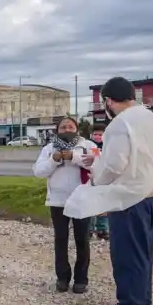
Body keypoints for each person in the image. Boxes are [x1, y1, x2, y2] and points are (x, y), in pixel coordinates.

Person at [64, 76, 153, 305]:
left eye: (106, 103)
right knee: (143, 257)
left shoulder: (120, 124)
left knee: (127, 258)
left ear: (109, 101)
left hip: (131, 199)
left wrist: (95, 170)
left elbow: (113, 166)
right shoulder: (148, 117)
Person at [32, 116, 94, 293]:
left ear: (77, 129)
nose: (67, 129)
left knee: (82, 240)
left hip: (81, 199)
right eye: (63, 127)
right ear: (57, 131)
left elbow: (98, 164)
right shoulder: (49, 148)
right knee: (61, 240)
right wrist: (54, 160)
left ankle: (81, 279)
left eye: (71, 126)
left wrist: (73, 157)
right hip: (58, 201)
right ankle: (62, 278)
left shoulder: (88, 145)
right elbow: (38, 172)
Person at [88, 125, 109, 240]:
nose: (97, 137)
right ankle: (89, 229)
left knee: (103, 205)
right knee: (91, 204)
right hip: (91, 178)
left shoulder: (109, 147)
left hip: (105, 179)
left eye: (100, 135)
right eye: (95, 134)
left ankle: (102, 229)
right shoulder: (89, 146)